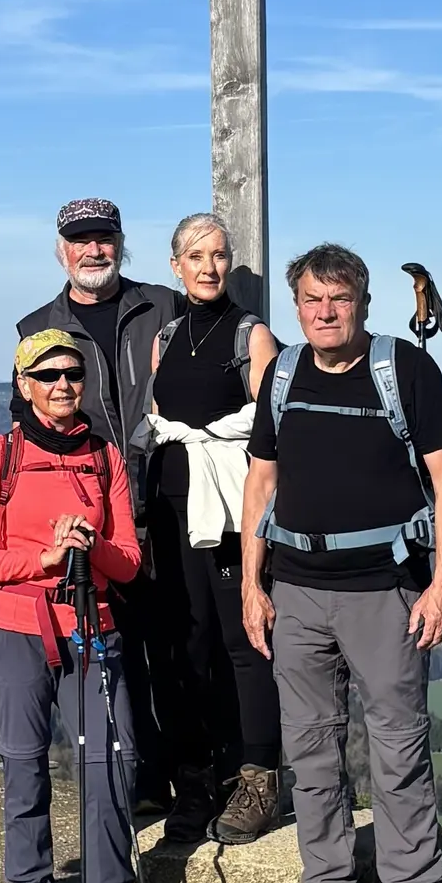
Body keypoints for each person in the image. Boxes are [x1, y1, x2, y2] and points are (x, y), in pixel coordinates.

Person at [239, 243, 442, 883]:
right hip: (297, 588)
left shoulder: (405, 370)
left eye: (339, 299)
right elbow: (260, 482)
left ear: (363, 304)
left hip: (386, 589)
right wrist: (252, 581)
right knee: (310, 754)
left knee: (398, 752)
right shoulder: (282, 376)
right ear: (297, 307)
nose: (325, 311)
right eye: (312, 299)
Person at [0, 329, 161, 883]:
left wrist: (89, 545)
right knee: (25, 768)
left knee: (113, 762)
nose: (62, 385)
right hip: (17, 625)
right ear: (23, 386)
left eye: (72, 374)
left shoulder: (104, 457)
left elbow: (127, 562)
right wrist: (47, 557)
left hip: (93, 625)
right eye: (46, 376)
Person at [16, 197, 178, 805]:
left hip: (170, 495)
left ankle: (193, 777)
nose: (94, 249)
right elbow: (29, 432)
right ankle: (141, 783)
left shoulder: (162, 304)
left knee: (178, 648)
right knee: (118, 652)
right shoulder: (35, 329)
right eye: (81, 239)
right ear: (62, 250)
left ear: (121, 241)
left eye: (104, 237)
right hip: (94, 510)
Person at [141, 210, 284, 845]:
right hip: (173, 510)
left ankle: (257, 779)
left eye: (219, 256)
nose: (209, 267)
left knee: (244, 642)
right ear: (176, 265)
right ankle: (196, 782)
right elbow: (159, 415)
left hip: (232, 514)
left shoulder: (252, 337)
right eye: (196, 257)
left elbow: (273, 432)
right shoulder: (166, 338)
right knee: (184, 645)